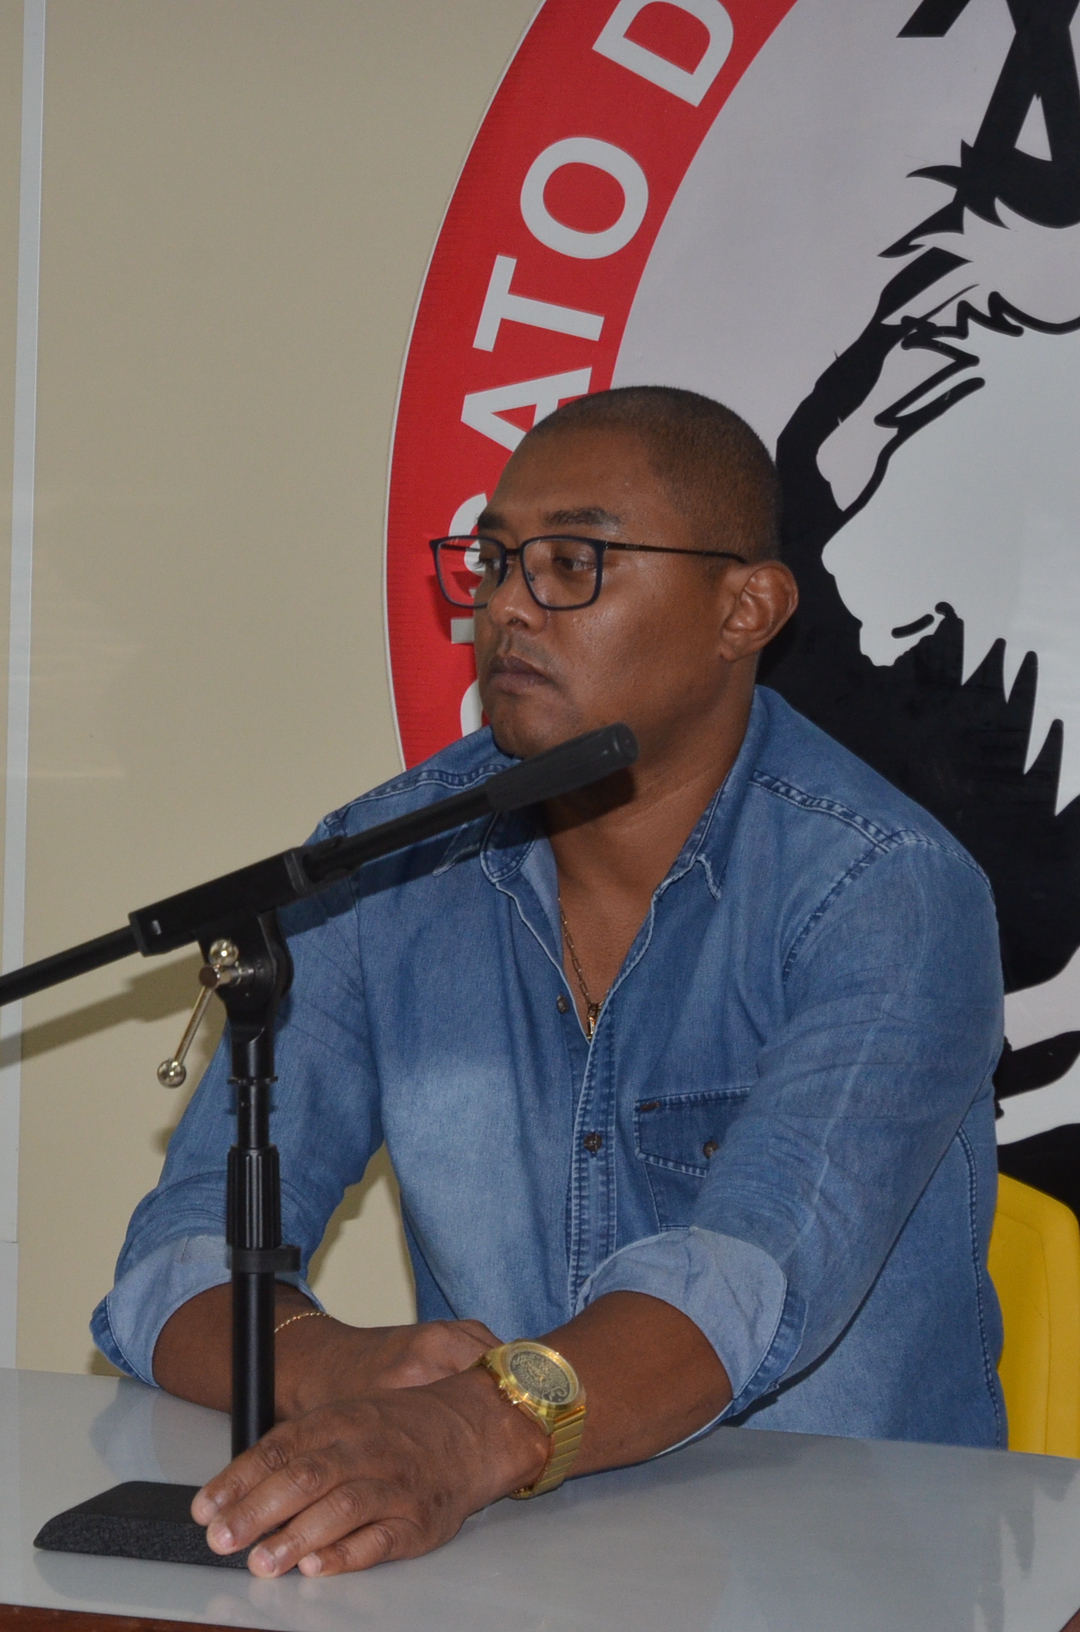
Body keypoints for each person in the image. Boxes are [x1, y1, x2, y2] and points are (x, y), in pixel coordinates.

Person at [94, 386, 1003, 1577]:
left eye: (573, 562)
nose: (509, 604)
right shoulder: (382, 868)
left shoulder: (886, 894)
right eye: (492, 559)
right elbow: (174, 1268)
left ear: (746, 608)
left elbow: (744, 1285)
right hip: (502, 1570)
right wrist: (337, 1364)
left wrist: (466, 1427)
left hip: (843, 1579)